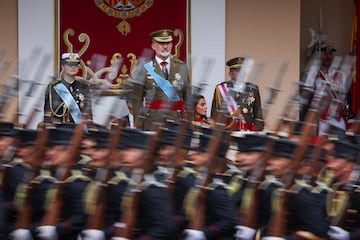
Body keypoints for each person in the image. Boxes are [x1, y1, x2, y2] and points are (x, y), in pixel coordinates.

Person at [129, 29, 190, 131]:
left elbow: (188, 98)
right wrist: (138, 125)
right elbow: (137, 100)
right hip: (152, 121)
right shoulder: (144, 69)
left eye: (168, 43)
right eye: (161, 43)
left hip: (177, 121)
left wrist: (189, 125)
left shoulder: (181, 67)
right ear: (153, 46)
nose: (165, 47)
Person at [211, 56, 264, 131]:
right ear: (230, 73)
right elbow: (215, 114)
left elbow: (258, 113)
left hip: (247, 133)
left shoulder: (253, 89)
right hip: (227, 132)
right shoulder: (221, 89)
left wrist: (257, 131)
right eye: (237, 70)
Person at [44, 53, 92, 123]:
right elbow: (49, 112)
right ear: (63, 66)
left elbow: (88, 112)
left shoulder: (84, 87)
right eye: (69, 64)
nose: (73, 67)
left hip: (78, 129)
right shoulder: (54, 86)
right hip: (59, 128)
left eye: (75, 64)